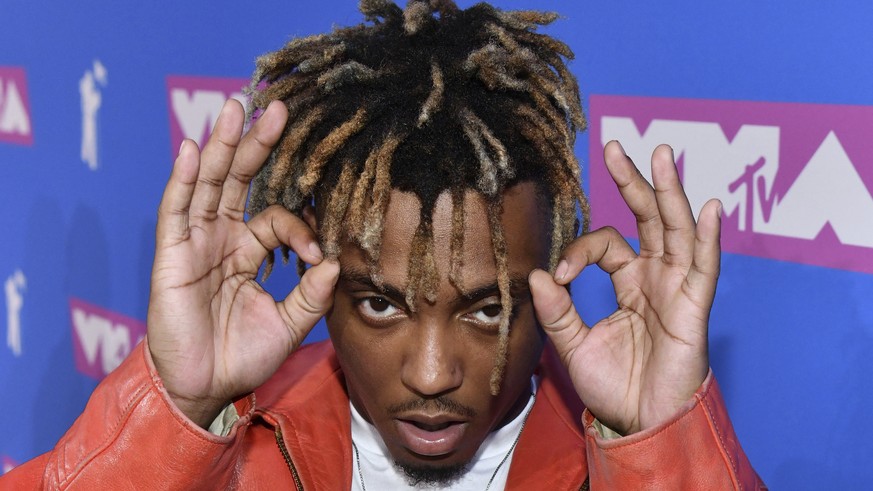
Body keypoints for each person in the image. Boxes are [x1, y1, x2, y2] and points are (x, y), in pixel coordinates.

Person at [4, 1, 765, 489]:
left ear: (555, 282)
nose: (430, 373)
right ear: (318, 278)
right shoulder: (237, 449)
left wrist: (667, 444)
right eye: (378, 302)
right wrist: (176, 403)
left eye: (486, 309)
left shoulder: (620, 464)